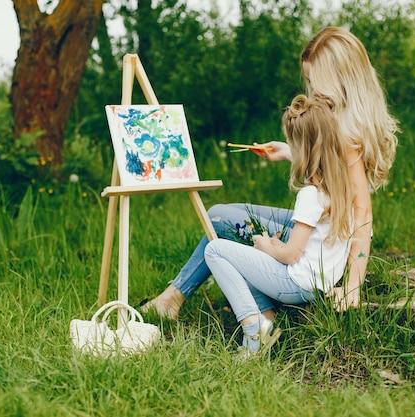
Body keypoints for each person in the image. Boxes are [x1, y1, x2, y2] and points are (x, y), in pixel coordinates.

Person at [141, 26, 399, 320]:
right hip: (324, 231)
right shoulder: (339, 121)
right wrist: (289, 151)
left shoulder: (348, 133)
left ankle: (179, 298)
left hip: (323, 243)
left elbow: (362, 213)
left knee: (219, 218)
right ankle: (180, 296)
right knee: (224, 214)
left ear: (342, 79)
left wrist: (353, 285)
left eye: (318, 82)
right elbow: (331, 167)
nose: (312, 90)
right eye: (310, 80)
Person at [205, 93, 355, 354]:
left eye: (291, 145)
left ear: (303, 150)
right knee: (244, 259)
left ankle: (253, 330)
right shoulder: (341, 189)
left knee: (216, 250)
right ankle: (266, 319)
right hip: (321, 284)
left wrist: (267, 247)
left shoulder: (311, 194)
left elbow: (291, 254)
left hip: (297, 284)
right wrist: (272, 247)